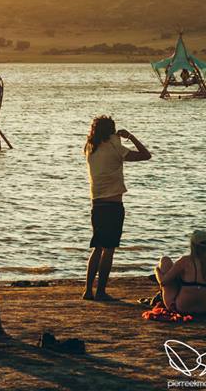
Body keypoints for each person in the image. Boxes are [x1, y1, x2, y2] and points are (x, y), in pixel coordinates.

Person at [82, 116, 151, 301]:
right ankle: (101, 291)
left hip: (96, 204)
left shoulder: (90, 147)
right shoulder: (115, 147)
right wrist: (130, 136)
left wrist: (115, 137)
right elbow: (146, 155)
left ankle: (88, 290)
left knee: (97, 247)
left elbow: (103, 141)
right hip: (113, 205)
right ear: (110, 131)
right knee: (109, 249)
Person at [155, 230, 206, 315]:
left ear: (192, 245)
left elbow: (163, 282)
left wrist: (157, 271)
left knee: (165, 260)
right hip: (203, 309)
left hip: (180, 309)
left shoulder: (185, 260)